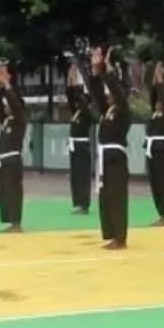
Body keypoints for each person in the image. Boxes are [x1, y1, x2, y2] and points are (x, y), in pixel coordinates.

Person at [89, 45, 131, 249]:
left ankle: (120, 238)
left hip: (115, 159)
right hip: (105, 158)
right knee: (105, 197)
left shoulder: (123, 110)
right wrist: (96, 70)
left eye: (110, 93)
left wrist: (108, 69)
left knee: (116, 197)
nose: (107, 95)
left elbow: (116, 90)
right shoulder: (108, 111)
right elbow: (96, 93)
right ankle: (111, 233)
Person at [0, 63, 26, 232]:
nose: (5, 106)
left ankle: (16, 223)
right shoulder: (7, 120)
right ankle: (10, 222)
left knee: (13, 192)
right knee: (4, 192)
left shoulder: (19, 120)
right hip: (3, 161)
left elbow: (15, 104)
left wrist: (6, 83)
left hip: (13, 160)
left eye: (8, 104)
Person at [145, 62, 164, 226]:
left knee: (163, 183)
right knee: (155, 183)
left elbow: (162, 95)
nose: (157, 104)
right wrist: (155, 77)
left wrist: (160, 79)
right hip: (151, 150)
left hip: (161, 151)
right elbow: (154, 94)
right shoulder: (154, 115)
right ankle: (160, 213)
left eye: (161, 103)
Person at [65, 62, 94, 216]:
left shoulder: (87, 113)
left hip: (82, 148)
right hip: (74, 147)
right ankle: (77, 203)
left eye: (80, 101)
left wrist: (76, 84)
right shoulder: (76, 113)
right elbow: (71, 97)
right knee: (75, 176)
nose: (76, 103)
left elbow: (79, 99)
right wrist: (71, 79)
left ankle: (84, 204)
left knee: (83, 176)